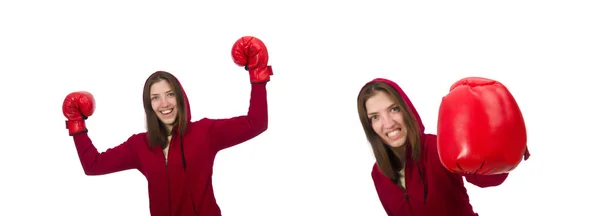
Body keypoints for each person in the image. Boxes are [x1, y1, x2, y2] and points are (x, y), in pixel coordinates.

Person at [61, 36, 273, 216]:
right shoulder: (139, 145)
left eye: (170, 94)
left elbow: (256, 123)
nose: (164, 104)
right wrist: (76, 124)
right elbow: (94, 165)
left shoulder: (205, 132)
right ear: (149, 104)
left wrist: (258, 74)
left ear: (180, 97)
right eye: (155, 98)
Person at [356, 78, 530, 216]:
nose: (388, 123)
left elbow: (486, 178)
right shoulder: (379, 173)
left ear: (406, 109)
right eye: (375, 117)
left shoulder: (436, 148)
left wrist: (502, 139)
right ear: (369, 125)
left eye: (394, 109)